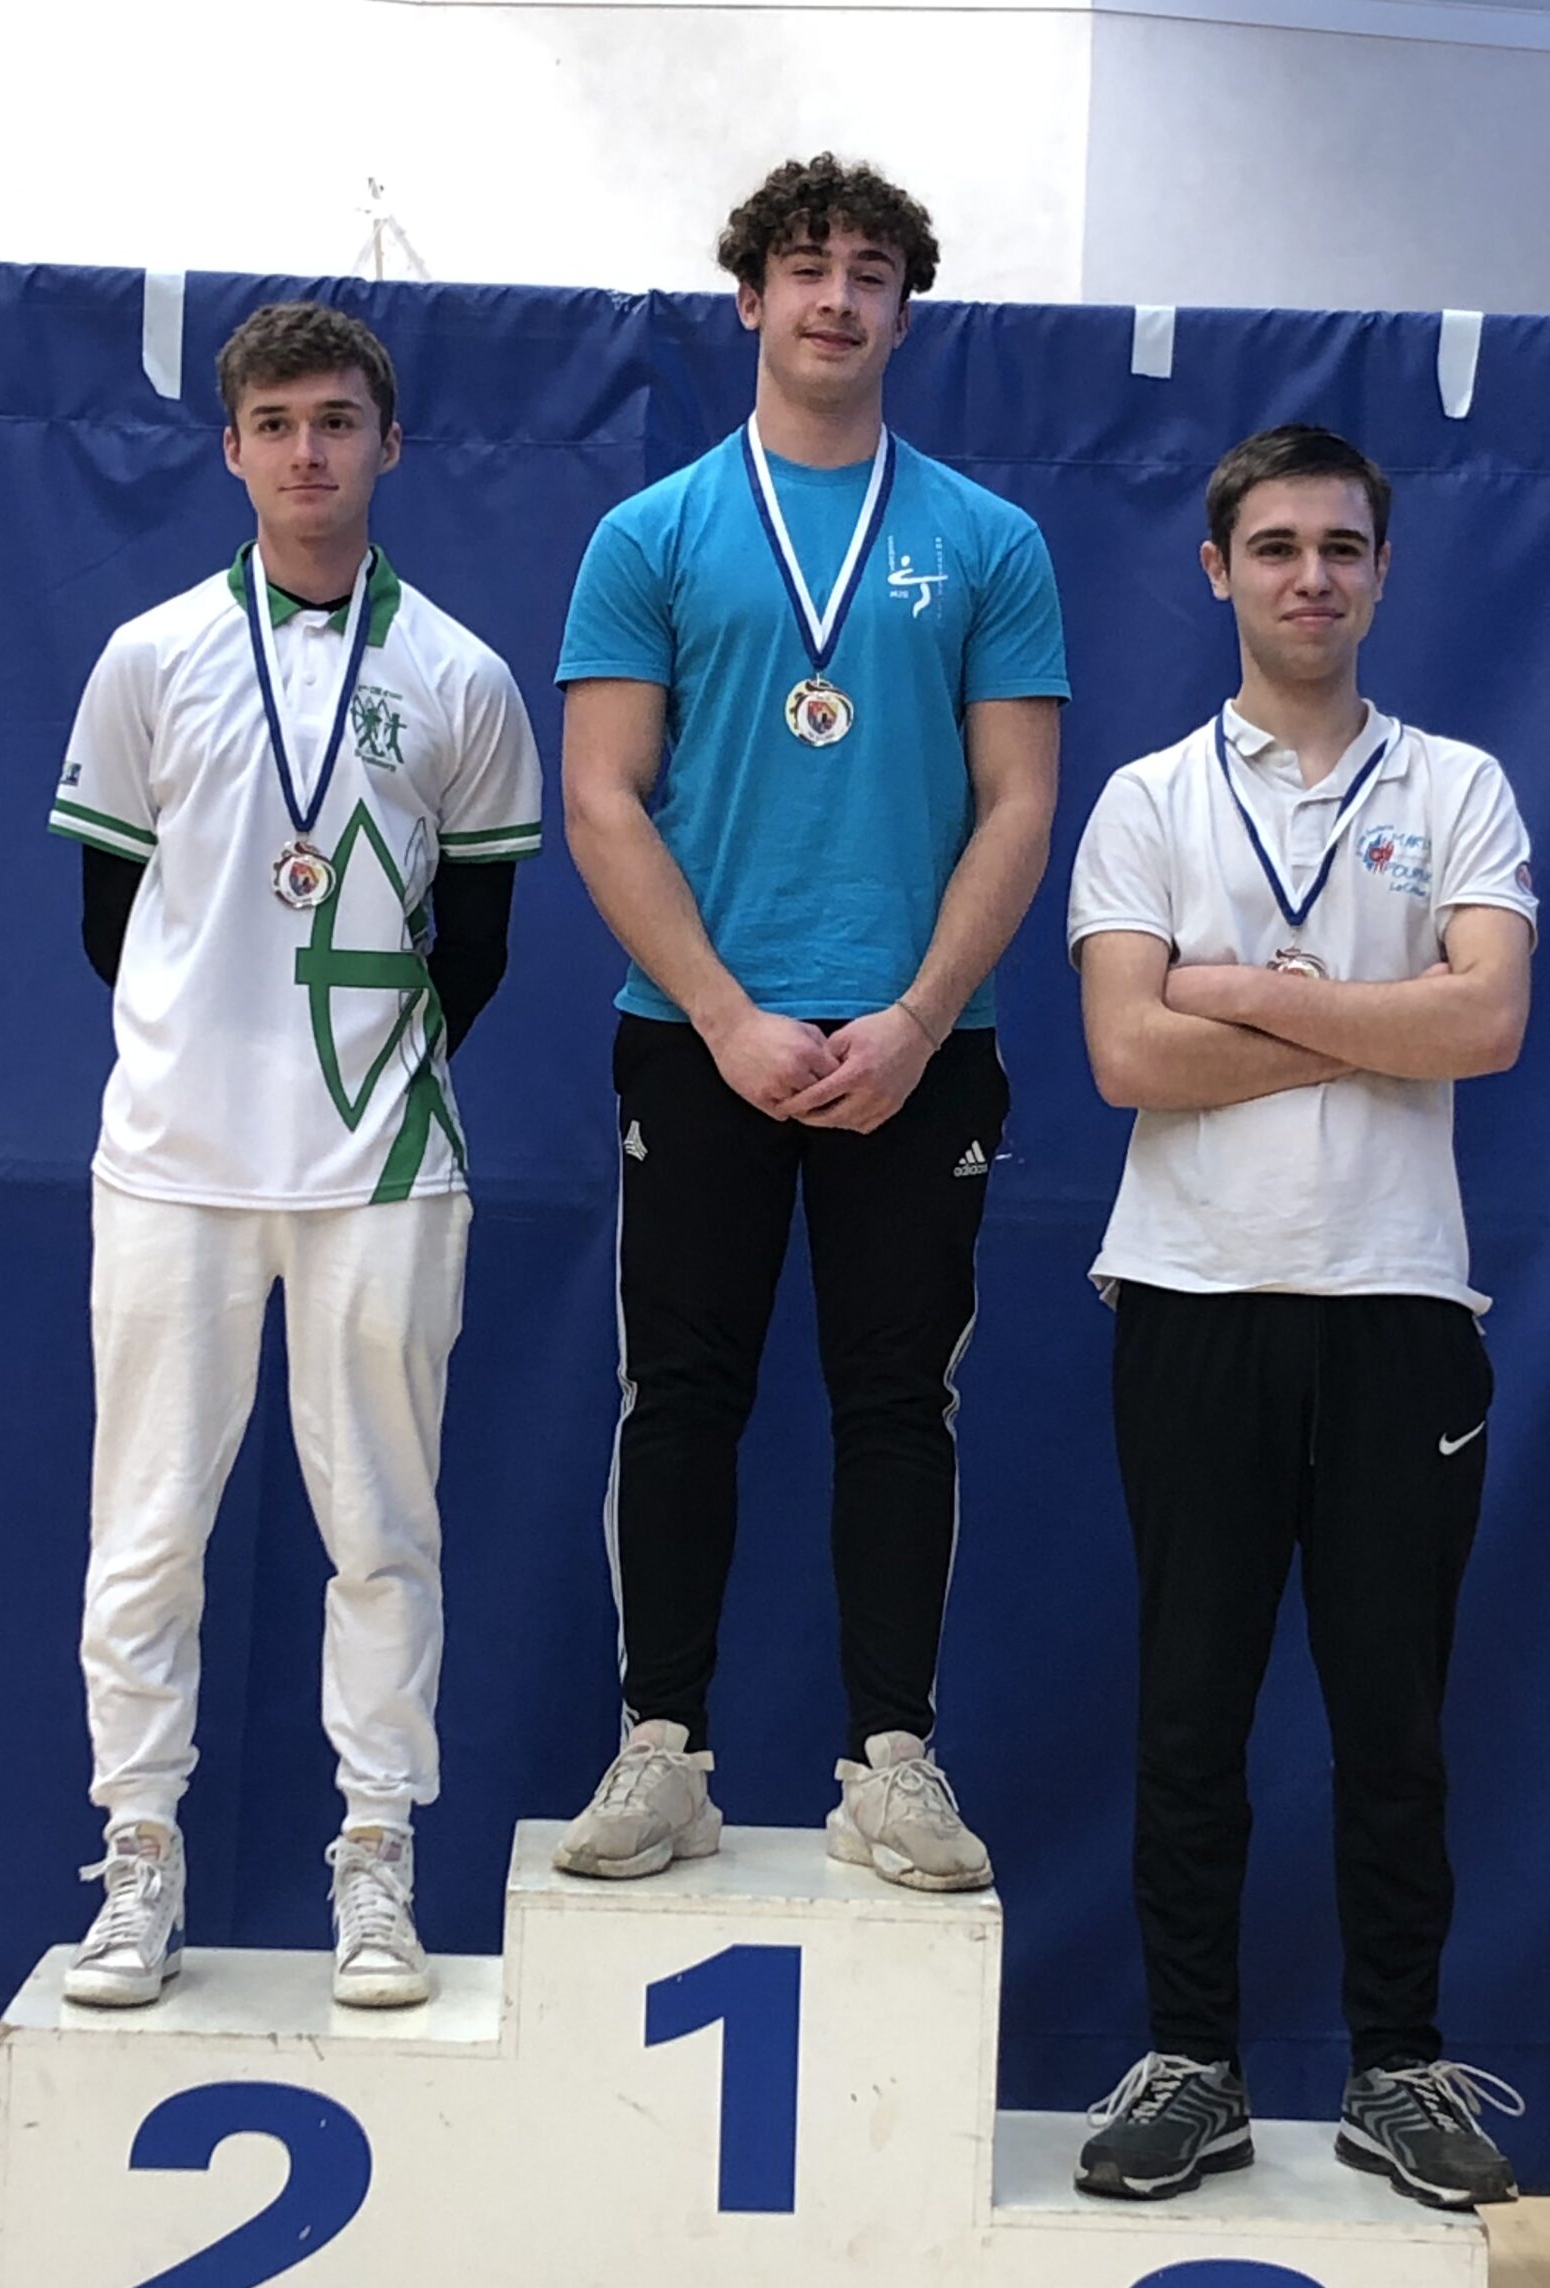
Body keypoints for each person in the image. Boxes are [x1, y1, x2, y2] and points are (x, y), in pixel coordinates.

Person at [554, 155, 1068, 1889]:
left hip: (922, 1048)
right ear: (751, 297)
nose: (837, 296)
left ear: (906, 312)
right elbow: (603, 797)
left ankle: (892, 1761)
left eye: (870, 272)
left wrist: (920, 1016)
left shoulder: (988, 541)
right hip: (700, 1033)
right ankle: (662, 1750)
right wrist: (722, 1016)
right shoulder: (653, 533)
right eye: (805, 266)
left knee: (899, 1402)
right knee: (679, 1395)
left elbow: (1018, 804)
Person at [51, 302, 542, 2007]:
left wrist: (354, 1079)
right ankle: (137, 1856)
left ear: (389, 444)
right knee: (145, 1528)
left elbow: (478, 943)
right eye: (275, 423)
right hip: (175, 1161)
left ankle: (377, 1858)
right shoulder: (152, 654)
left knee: (383, 1531)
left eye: (337, 420)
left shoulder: (461, 674)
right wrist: (226, 1055)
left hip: (383, 1168)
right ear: (232, 450)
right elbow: (115, 920)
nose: (308, 451)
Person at [1067, 424, 1533, 2208]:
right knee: (1190, 1709)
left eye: (1342, 547)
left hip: (1400, 1302)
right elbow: (1128, 1055)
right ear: (1219, 572)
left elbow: (1486, 1024)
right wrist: (1368, 1013)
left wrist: (1240, 996)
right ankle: (1193, 2061)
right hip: (1194, 1293)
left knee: (1391, 1720)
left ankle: (1397, 2068)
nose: (1310, 577)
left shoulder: (1461, 786)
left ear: (1383, 573)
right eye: (1275, 548)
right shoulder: (1149, 800)